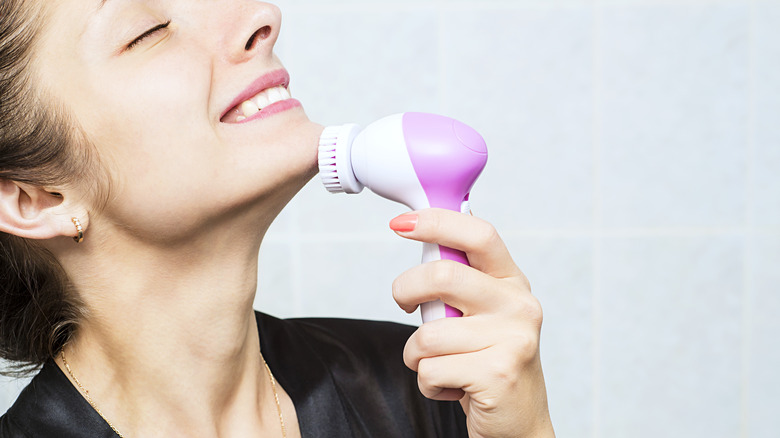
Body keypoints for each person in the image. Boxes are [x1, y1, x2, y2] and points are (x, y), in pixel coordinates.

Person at [0, 1, 555, 437]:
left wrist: (524, 430)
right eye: (149, 29)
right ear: (37, 198)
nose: (262, 16)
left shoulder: (419, 389)